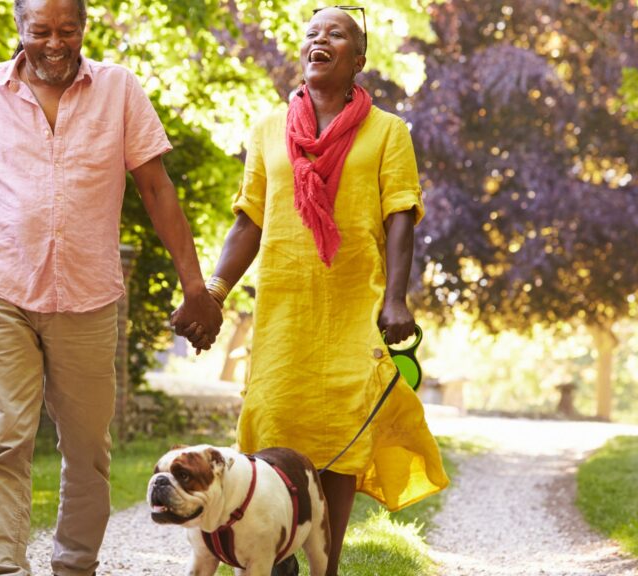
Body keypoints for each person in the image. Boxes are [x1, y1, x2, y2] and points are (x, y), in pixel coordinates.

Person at [0, 0, 222, 574]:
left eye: (67, 29)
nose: (55, 43)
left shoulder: (120, 89)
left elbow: (157, 190)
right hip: (1, 287)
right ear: (19, 28)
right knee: (6, 439)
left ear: (85, 28)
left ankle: (75, 565)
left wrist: (196, 287)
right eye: (40, 31)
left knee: (87, 450)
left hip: (87, 296)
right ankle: (3, 566)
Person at [173, 7, 449, 575]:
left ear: (358, 58)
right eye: (312, 33)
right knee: (273, 430)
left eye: (337, 34)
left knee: (338, 439)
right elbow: (249, 221)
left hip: (352, 308)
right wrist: (216, 292)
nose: (320, 40)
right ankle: (276, 553)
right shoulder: (268, 130)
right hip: (283, 312)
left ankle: (325, 563)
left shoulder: (389, 132)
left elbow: (401, 217)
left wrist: (395, 300)